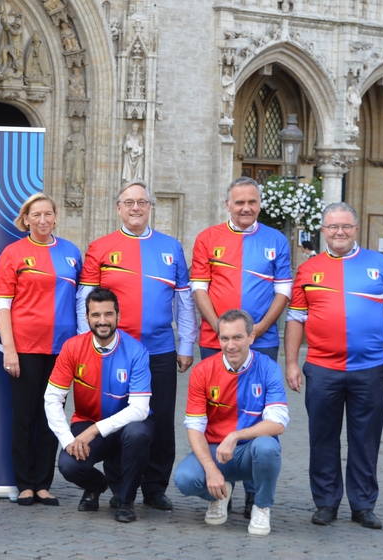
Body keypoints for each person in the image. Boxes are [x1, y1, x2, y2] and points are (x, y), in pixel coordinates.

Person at [285, 202, 383, 530]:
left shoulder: (379, 264)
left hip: (369, 369)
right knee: (322, 437)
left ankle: (363, 504)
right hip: (322, 368)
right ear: (323, 230)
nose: (339, 232)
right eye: (332, 227)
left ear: (356, 229)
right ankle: (326, 502)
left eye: (346, 226)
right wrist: (292, 363)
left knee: (365, 438)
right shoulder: (309, 269)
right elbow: (296, 318)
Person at [77, 180, 196, 510]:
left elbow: (184, 301)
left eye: (142, 202)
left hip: (159, 349)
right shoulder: (100, 247)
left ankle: (155, 487)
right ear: (118, 208)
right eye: (129, 202)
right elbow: (84, 301)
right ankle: (118, 485)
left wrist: (186, 343)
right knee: (119, 418)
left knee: (159, 420)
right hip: (115, 351)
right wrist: (85, 342)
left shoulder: (171, 247)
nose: (135, 208)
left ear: (150, 207)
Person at [189, 176, 291, 517]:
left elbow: (284, 292)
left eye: (252, 202)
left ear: (259, 204)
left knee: (258, 413)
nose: (245, 207)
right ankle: (220, 481)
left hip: (263, 342)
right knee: (219, 411)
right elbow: (199, 289)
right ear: (228, 204)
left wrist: (258, 330)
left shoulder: (277, 240)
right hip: (214, 341)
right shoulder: (207, 238)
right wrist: (221, 328)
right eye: (239, 202)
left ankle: (254, 493)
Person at [0, 193, 81, 506]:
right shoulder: (13, 253)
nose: (42, 220)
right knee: (24, 416)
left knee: (51, 416)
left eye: (48, 214)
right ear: (26, 219)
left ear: (56, 216)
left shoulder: (71, 253)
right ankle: (25, 484)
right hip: (25, 348)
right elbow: (2, 304)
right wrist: (9, 348)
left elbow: (80, 303)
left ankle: (44, 483)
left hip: (63, 351)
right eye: (36, 215)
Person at [174, 309, 289, 536]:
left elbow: (278, 423)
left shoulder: (268, 368)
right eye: (224, 338)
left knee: (267, 447)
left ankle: (261, 506)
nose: (230, 345)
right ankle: (219, 493)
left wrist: (235, 435)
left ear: (251, 337)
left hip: (251, 451)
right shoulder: (202, 371)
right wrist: (210, 469)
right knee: (184, 479)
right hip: (216, 453)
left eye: (237, 337)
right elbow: (194, 427)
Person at [44, 288, 153, 523]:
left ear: (118, 316)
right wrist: (67, 439)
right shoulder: (72, 347)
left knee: (138, 433)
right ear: (87, 318)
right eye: (96, 315)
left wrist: (94, 430)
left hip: (126, 426)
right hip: (86, 421)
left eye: (108, 314)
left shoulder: (137, 351)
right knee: (68, 464)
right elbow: (52, 398)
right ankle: (97, 485)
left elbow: (140, 409)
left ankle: (126, 501)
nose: (102, 321)